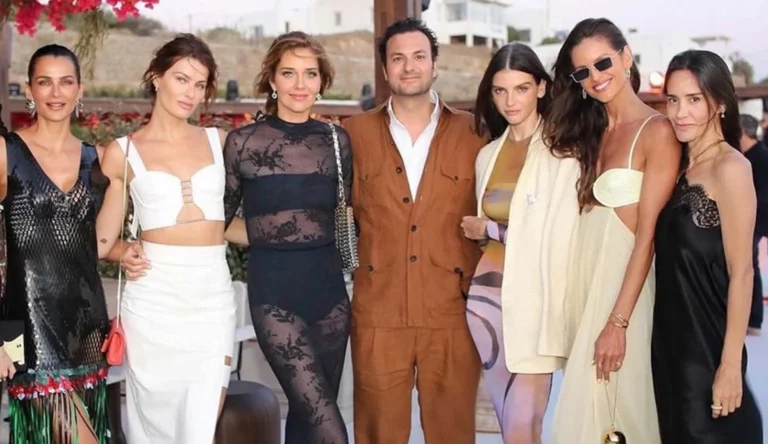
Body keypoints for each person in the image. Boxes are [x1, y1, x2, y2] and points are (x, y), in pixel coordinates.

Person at [342, 18, 486, 444]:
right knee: (378, 433)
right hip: (379, 312)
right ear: (385, 69)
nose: (409, 67)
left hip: (453, 312)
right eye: (398, 58)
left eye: (419, 57)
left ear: (434, 65)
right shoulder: (353, 135)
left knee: (453, 432)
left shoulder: (475, 133)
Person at [98, 34, 247, 443]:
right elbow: (103, 241)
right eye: (181, 79)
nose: (190, 94)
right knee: (152, 427)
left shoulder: (220, 142)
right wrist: (123, 251)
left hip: (211, 299)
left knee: (200, 425)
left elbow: (231, 223)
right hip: (153, 300)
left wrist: (297, 231)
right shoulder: (123, 151)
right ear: (156, 77)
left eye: (200, 85)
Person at [544, 18, 681, 444]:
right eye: (582, 72)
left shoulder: (657, 131)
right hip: (585, 288)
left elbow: (647, 239)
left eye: (603, 63)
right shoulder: (589, 133)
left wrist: (618, 323)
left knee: (618, 417)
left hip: (624, 294)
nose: (595, 77)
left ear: (626, 57)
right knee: (588, 414)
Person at [221, 31, 351, 443]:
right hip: (275, 297)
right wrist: (269, 235)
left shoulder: (336, 141)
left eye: (310, 74)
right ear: (272, 79)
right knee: (329, 427)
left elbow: (344, 214)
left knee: (306, 419)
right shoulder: (243, 143)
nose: (300, 84)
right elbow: (219, 220)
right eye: (289, 73)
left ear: (322, 81)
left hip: (330, 295)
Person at [461, 42, 580, 443]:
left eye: (521, 88)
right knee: (507, 423)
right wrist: (488, 234)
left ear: (541, 88)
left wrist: (489, 230)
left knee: (523, 424)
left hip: (536, 307)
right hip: (487, 307)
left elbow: (557, 239)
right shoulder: (487, 155)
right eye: (500, 90)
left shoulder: (564, 154)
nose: (510, 101)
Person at [0, 44, 112, 443]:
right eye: (44, 82)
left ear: (80, 90)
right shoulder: (6, 152)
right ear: (30, 89)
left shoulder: (98, 159)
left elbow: (95, 241)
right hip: (26, 328)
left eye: (66, 82)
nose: (56, 92)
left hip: (87, 328)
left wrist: (127, 251)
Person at [653, 49, 764, 443]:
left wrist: (730, 365)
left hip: (708, 352)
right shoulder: (677, 167)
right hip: (668, 353)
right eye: (673, 99)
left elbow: (743, 272)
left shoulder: (731, 168)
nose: (680, 112)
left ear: (719, 104)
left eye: (694, 99)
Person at [739, 113, 767, 336]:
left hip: (757, 219)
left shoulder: (760, 157)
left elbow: (762, 195)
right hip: (753, 219)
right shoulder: (750, 156)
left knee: (749, 265)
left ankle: (754, 319)